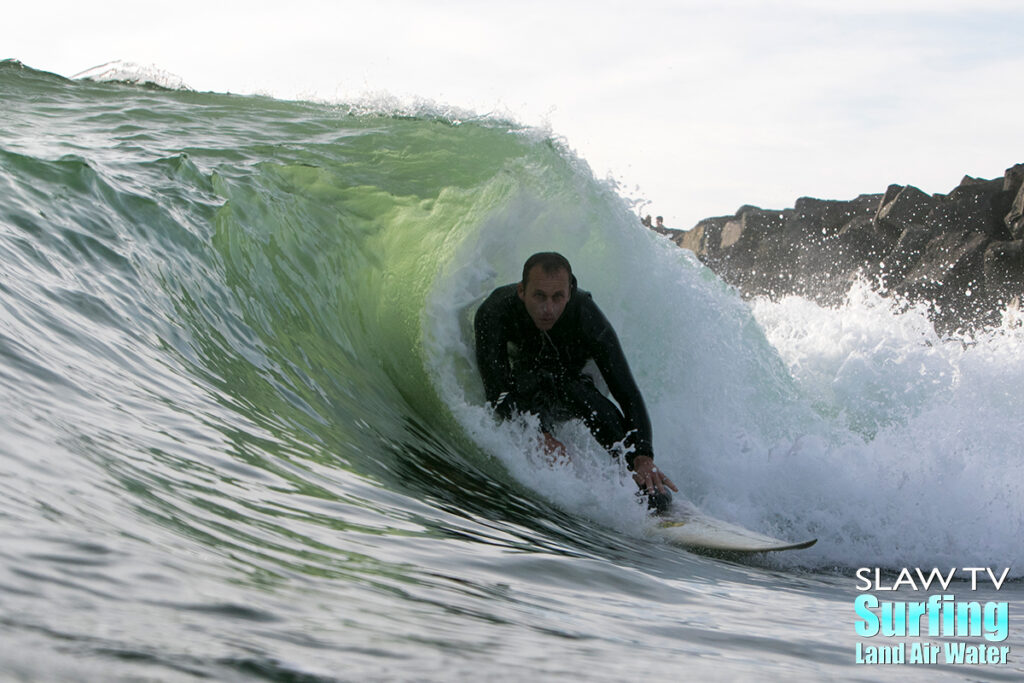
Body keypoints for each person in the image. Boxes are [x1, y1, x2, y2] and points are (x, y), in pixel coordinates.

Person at [474, 252, 677, 510]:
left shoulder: (586, 314)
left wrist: (644, 456)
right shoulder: (495, 312)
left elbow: (628, 394)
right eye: (539, 296)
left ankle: (644, 484)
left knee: (581, 394)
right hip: (526, 380)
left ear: (569, 293)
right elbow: (497, 391)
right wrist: (540, 435)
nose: (548, 308)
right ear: (522, 291)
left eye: (557, 297)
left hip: (575, 378)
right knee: (530, 383)